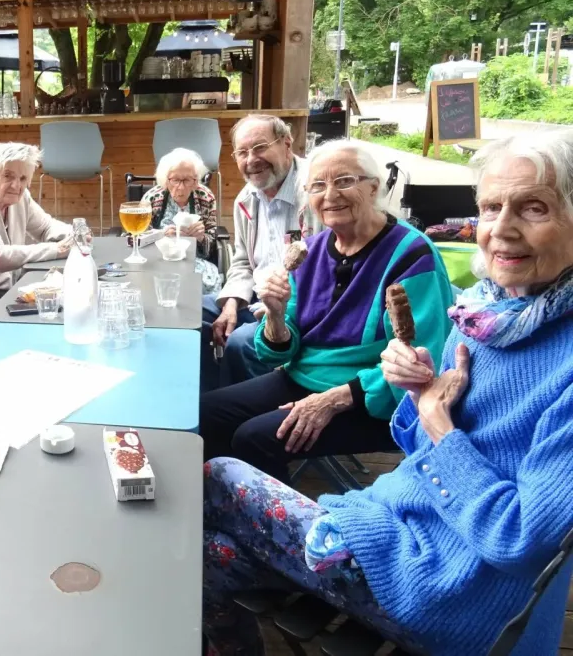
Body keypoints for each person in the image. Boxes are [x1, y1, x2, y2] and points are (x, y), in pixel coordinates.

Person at [203, 129, 573, 656]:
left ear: (375, 188)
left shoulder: (416, 260)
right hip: (394, 521)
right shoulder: (487, 316)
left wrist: (435, 422)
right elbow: (412, 425)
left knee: (219, 473)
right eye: (490, 208)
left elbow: (520, 541)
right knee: (212, 546)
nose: (502, 230)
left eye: (534, 208)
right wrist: (416, 393)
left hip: (443, 586)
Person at [199, 139, 453, 481]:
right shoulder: (310, 251)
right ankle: (222, 509)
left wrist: (332, 400)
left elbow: (422, 362)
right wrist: (274, 314)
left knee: (254, 439)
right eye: (318, 185)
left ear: (374, 187)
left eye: (345, 181)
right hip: (302, 376)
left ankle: (270, 527)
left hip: (371, 397)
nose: (330, 194)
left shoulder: (412, 256)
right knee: (205, 413)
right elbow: (278, 352)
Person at [201, 115, 324, 391]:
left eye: (260, 147)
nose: (251, 159)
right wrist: (232, 301)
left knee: (240, 342)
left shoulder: (315, 193)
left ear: (287, 144)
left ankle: (247, 407)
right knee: (197, 316)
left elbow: (323, 274)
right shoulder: (246, 199)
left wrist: (272, 310)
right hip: (254, 297)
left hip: (295, 307)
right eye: (242, 152)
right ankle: (205, 398)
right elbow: (243, 261)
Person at [0, 142, 75, 316]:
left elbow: (45, 228)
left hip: (5, 286)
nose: (16, 185)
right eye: (7, 176)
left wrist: (76, 232)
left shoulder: (20, 196)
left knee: (64, 302)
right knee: (48, 312)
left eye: (23, 178)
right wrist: (56, 250)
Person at [140, 147, 221, 294]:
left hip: (194, 263)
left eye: (187, 180)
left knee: (206, 284)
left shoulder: (205, 197)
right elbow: (136, 239)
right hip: (159, 262)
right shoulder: (152, 198)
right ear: (166, 180)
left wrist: (201, 237)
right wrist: (161, 234)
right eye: (175, 180)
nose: (181, 187)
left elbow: (212, 245)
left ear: (196, 181)